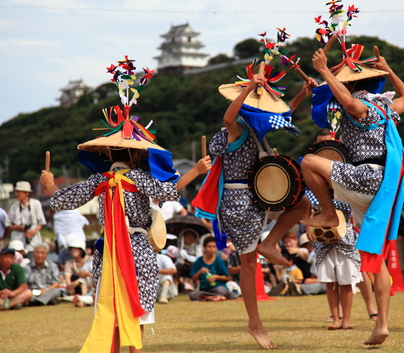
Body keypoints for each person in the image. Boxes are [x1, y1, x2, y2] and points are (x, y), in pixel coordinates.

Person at [39, 56, 212, 353]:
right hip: (138, 249)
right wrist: (196, 170)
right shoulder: (140, 178)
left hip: (110, 251)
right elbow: (170, 191)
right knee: (139, 309)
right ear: (137, 155)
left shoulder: (101, 180)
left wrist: (50, 184)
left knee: (113, 309)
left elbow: (64, 199)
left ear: (108, 152)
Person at [193, 61, 315, 348]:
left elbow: (282, 115)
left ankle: (269, 244)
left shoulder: (257, 130)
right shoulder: (233, 129)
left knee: (302, 206)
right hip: (237, 201)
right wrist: (249, 88)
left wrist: (301, 95)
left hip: (257, 199)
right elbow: (226, 118)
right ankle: (254, 323)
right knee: (249, 265)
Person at [301, 42, 404, 345]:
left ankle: (326, 211)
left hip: (366, 178)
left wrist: (324, 70)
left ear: (350, 84)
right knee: (375, 256)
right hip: (383, 189)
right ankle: (382, 325)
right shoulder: (387, 106)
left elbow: (351, 106)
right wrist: (390, 70)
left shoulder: (363, 103)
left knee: (308, 162)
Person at [5, 181, 46, 255]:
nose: (17, 194)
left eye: (20, 192)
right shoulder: (14, 206)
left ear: (27, 193)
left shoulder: (35, 204)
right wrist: (16, 227)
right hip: (17, 243)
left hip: (32, 242)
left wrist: (33, 231)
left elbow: (41, 223)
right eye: (17, 192)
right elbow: (7, 224)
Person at [189, 236, 236, 301]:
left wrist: (216, 277)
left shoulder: (219, 260)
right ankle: (213, 297)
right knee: (192, 295)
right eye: (209, 246)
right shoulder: (199, 261)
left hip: (218, 287)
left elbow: (228, 277)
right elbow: (193, 278)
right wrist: (199, 272)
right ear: (204, 248)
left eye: (214, 247)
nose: (211, 249)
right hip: (204, 290)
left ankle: (210, 297)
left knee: (220, 290)